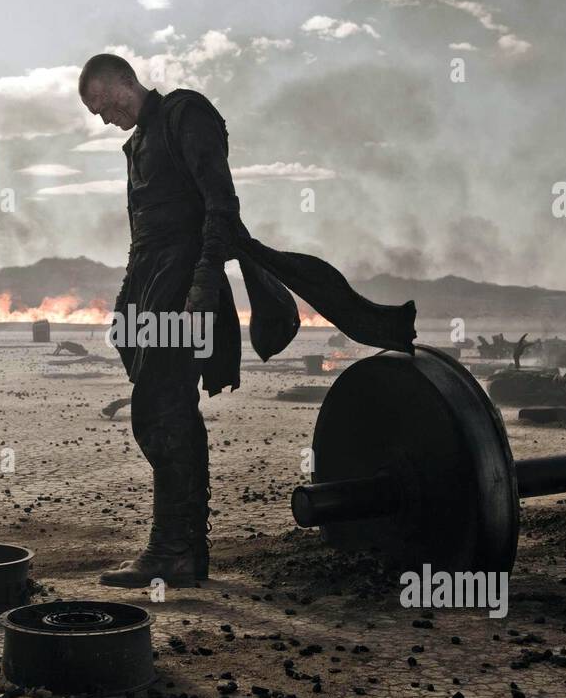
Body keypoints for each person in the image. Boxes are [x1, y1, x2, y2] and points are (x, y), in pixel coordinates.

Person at [78, 53, 417, 587]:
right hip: (148, 285)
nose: (102, 118)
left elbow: (220, 205)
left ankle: (178, 550)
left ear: (125, 81)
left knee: (162, 408)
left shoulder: (185, 114)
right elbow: (142, 232)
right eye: (93, 112)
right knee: (156, 411)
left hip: (183, 284)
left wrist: (201, 285)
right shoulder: (138, 144)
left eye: (103, 104)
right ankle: (178, 548)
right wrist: (127, 304)